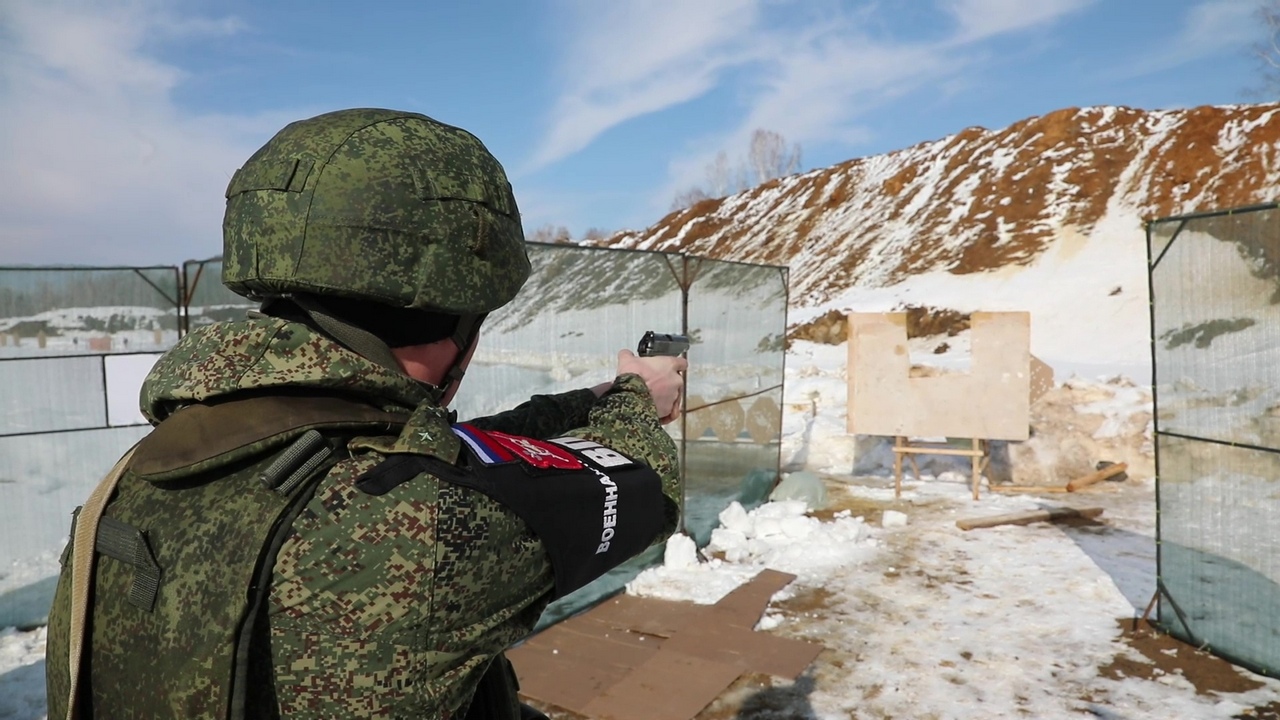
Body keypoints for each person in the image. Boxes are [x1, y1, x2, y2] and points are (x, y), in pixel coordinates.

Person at [45, 108, 687, 719]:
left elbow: (437, 455)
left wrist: (584, 403)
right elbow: (644, 485)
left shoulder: (151, 468)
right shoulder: (425, 517)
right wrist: (639, 399)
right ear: (459, 317)